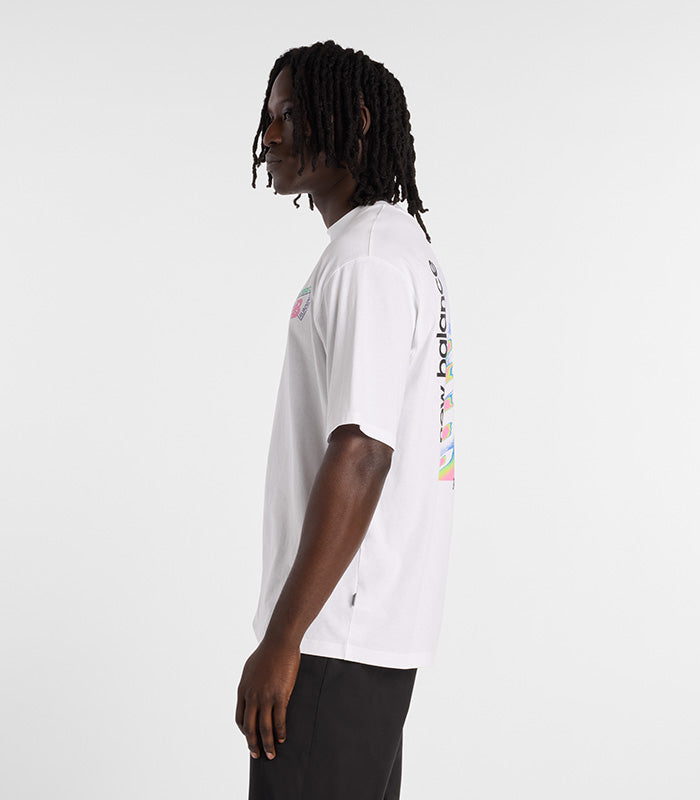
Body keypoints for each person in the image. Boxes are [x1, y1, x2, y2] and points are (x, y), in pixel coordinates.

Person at [235, 40, 456, 800]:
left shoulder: (367, 260)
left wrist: (283, 638)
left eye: (291, 114)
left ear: (355, 120)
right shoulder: (389, 249)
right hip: (362, 635)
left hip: (332, 638)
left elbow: (363, 452)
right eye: (269, 116)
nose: (271, 134)